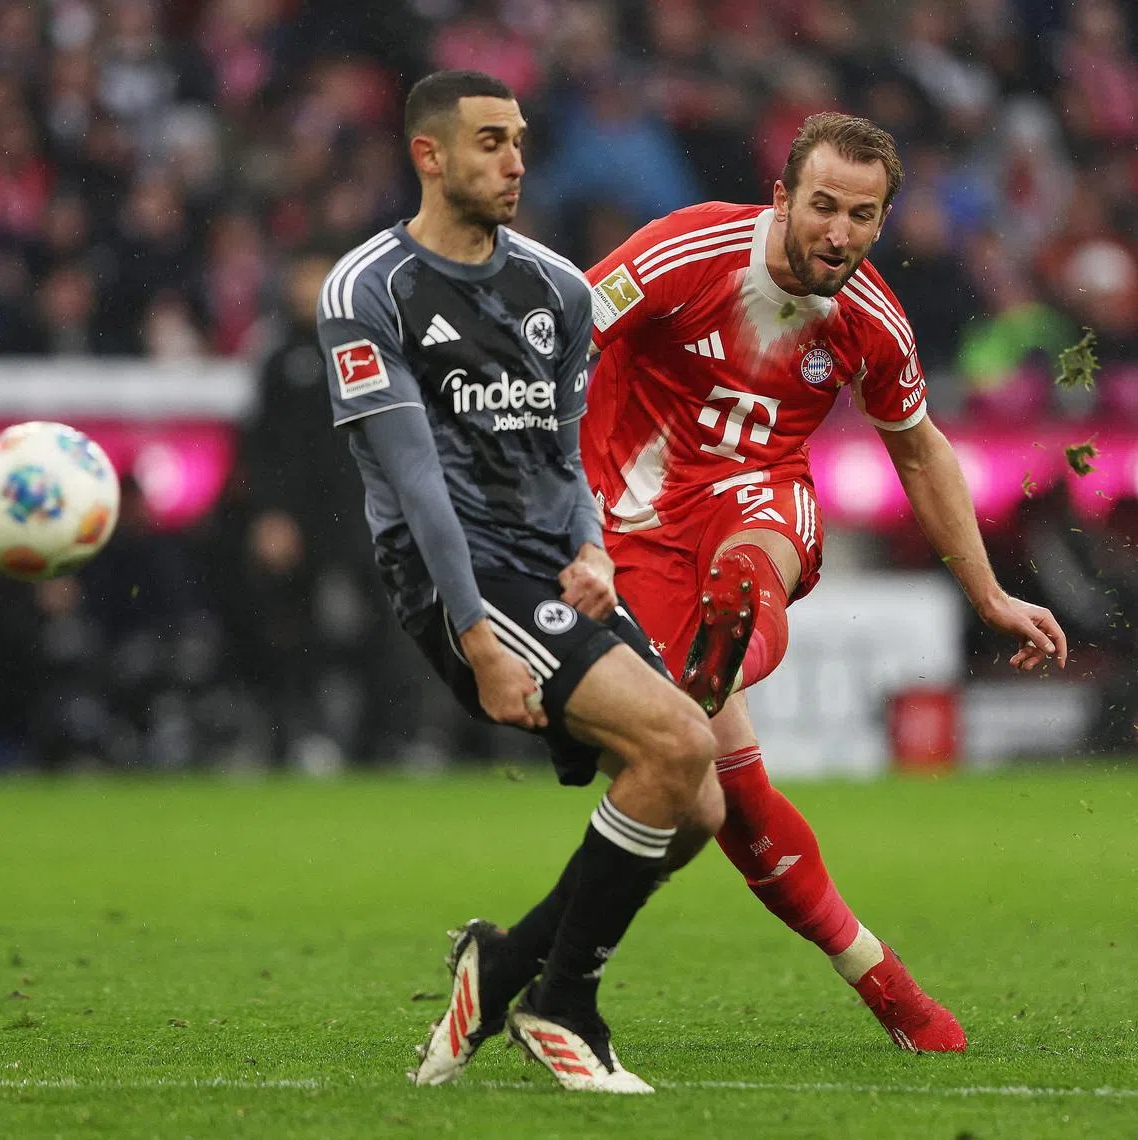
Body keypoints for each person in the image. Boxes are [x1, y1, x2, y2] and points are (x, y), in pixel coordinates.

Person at [579, 112, 1069, 1053]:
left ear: (883, 220)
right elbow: (555, 345)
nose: (838, 233)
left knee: (757, 561)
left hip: (758, 503)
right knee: (721, 800)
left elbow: (921, 455)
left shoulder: (871, 318)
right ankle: (883, 986)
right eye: (823, 208)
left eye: (861, 214)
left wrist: (991, 595)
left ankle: (728, 650)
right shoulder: (684, 252)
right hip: (630, 531)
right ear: (783, 199)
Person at [315, 70, 720, 1094]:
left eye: (521, 141)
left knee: (700, 805)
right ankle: (564, 1006)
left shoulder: (557, 289)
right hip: (460, 571)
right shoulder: (368, 290)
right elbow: (416, 489)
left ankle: (503, 966)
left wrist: (595, 548)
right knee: (677, 742)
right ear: (429, 155)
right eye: (491, 142)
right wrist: (477, 638)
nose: (515, 162)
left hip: (557, 566)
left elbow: (569, 453)